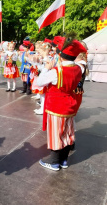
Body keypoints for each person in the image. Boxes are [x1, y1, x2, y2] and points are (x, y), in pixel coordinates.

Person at [37, 36, 87, 171]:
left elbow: (39, 82)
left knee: (56, 134)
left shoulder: (56, 71)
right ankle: (64, 160)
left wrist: (46, 68)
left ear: (61, 55)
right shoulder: (78, 68)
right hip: (70, 106)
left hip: (56, 107)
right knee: (67, 133)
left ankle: (54, 162)